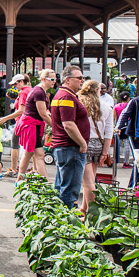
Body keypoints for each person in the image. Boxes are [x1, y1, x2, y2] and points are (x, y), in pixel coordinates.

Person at [49, 66, 90, 207]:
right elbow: (68, 124)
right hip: (70, 148)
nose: (82, 81)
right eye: (79, 78)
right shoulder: (66, 96)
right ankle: (66, 221)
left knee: (62, 186)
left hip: (65, 148)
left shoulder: (62, 94)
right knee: (69, 190)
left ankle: (59, 218)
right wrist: (83, 143)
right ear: (67, 80)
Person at [78, 80, 113, 214]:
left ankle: (93, 213)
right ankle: (84, 208)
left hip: (84, 142)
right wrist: (105, 152)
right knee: (91, 178)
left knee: (87, 182)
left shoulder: (81, 104)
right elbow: (109, 131)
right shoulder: (106, 106)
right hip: (99, 143)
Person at [16, 69, 54, 178]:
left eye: (55, 79)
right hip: (31, 125)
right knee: (37, 155)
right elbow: (43, 114)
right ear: (43, 79)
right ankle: (46, 182)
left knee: (32, 153)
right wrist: (56, 127)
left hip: (32, 125)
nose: (54, 81)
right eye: (52, 79)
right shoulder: (39, 92)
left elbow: (43, 113)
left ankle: (21, 178)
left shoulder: (39, 91)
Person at [0, 73, 30, 176]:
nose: (14, 87)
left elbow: (21, 110)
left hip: (22, 122)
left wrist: (5, 118)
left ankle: (14, 169)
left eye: (15, 84)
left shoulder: (23, 93)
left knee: (15, 145)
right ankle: (31, 169)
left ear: (21, 82)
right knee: (30, 147)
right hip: (28, 122)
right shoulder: (30, 90)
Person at [113, 92, 132, 166]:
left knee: (118, 145)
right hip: (128, 127)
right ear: (128, 98)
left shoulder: (116, 106)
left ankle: (115, 160)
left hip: (119, 127)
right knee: (127, 146)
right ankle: (126, 162)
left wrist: (114, 127)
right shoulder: (130, 106)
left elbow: (113, 118)